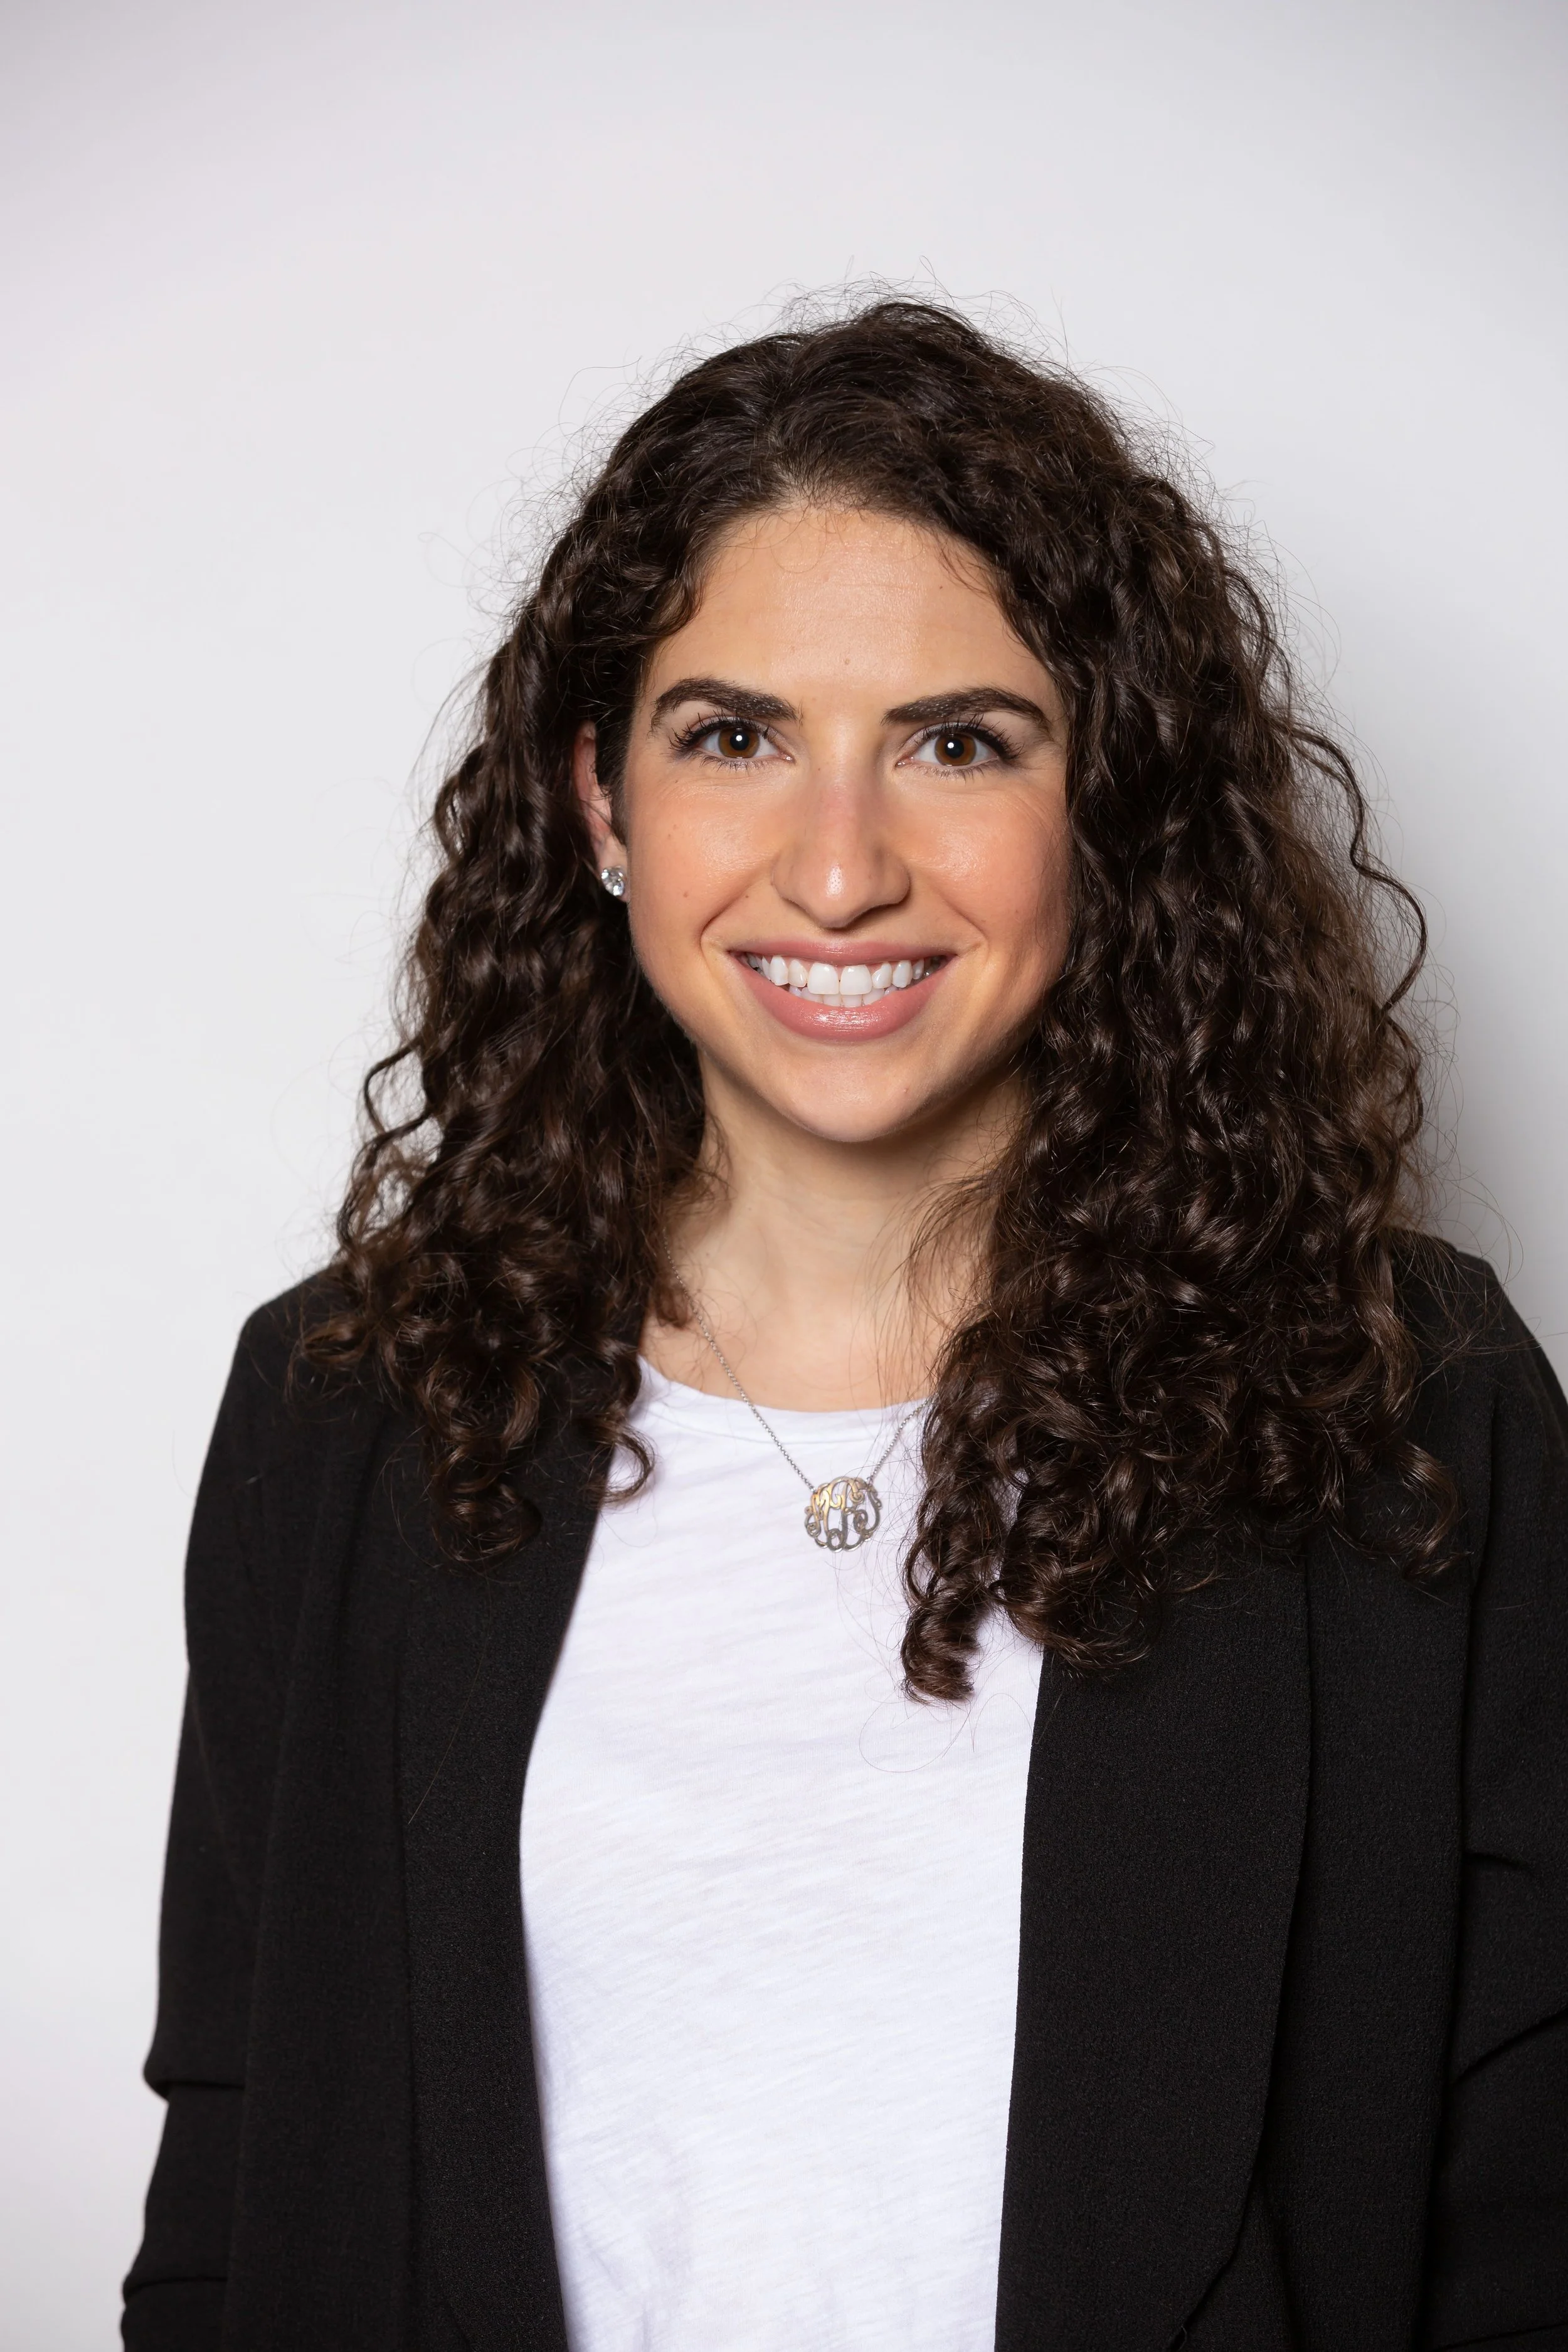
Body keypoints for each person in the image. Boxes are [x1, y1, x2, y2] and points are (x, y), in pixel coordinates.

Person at [122, 300, 1568, 2351]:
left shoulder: (1400, 1402)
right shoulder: (346, 1409)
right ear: (603, 805)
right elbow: (240, 2170)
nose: (837, 864)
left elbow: (1526, 2197)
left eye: (956, 741)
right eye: (732, 734)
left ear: (1103, 806)